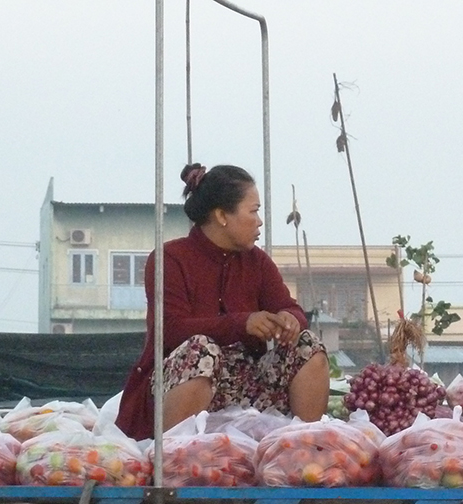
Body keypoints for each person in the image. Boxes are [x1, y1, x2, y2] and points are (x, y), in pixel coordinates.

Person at [116, 163, 329, 440]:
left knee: (308, 345)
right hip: (182, 386)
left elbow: (291, 308)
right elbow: (169, 329)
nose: (260, 221)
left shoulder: (257, 261)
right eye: (253, 211)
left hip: (247, 389)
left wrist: (290, 319)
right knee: (201, 350)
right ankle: (177, 457)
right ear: (222, 216)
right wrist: (243, 323)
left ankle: (300, 450)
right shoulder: (170, 259)